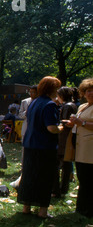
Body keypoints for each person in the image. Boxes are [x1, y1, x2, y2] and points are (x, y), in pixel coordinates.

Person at [18, 76, 63, 219]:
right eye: (57, 88)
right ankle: (42, 211)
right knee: (45, 178)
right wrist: (62, 127)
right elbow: (51, 128)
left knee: (29, 176)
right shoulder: (50, 105)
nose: (58, 91)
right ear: (52, 89)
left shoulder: (34, 102)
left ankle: (27, 207)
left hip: (30, 145)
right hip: (44, 147)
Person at [66, 78, 93, 217]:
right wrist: (72, 123)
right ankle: (81, 208)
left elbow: (84, 123)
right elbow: (78, 122)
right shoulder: (83, 106)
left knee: (89, 179)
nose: (91, 93)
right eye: (88, 90)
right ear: (83, 92)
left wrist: (80, 123)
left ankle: (88, 210)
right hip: (80, 148)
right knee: (83, 178)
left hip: (90, 149)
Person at [53, 87, 77, 197]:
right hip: (66, 139)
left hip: (63, 139)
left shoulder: (67, 106)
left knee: (61, 165)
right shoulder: (71, 105)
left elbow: (64, 122)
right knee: (66, 165)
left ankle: (59, 190)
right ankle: (62, 189)